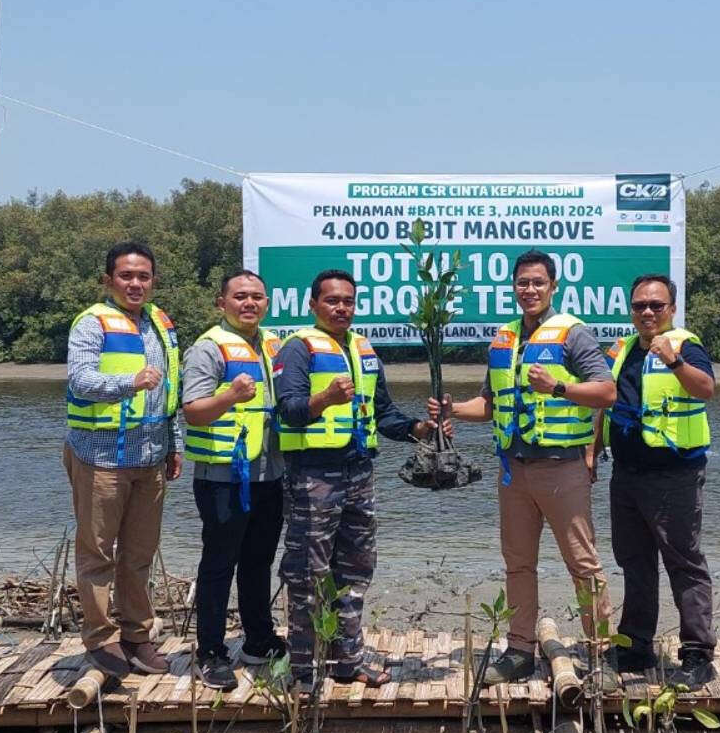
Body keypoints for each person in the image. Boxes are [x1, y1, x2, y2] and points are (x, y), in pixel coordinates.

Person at [429, 250, 617, 684]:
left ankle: (600, 654)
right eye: (522, 283)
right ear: (513, 287)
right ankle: (519, 651)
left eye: (537, 282)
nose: (529, 290)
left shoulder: (574, 334)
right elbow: (491, 405)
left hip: (561, 469)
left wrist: (559, 386)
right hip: (513, 470)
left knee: (583, 564)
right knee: (517, 563)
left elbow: (606, 393)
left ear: (553, 286)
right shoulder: (504, 339)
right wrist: (452, 409)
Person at [275, 269, 444, 688]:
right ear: (313, 304)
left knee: (355, 569)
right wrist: (326, 398)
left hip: (359, 474)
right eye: (332, 301)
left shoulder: (363, 349)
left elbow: (383, 413)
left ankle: (347, 659)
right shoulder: (297, 349)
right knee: (308, 573)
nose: (341, 308)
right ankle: (304, 669)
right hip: (313, 475)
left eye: (348, 301)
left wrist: (418, 429)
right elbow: (289, 411)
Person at [63, 241, 182, 677]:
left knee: (139, 554)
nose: (135, 283)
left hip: (150, 455)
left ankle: (137, 636)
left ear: (152, 281)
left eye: (143, 276)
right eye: (126, 276)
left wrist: (174, 444)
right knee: (97, 553)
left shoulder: (159, 323)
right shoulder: (91, 323)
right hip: (99, 456)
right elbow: (80, 380)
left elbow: (170, 391)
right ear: (108, 280)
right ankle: (100, 640)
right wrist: (128, 382)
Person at [596, 274, 718, 688]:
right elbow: (606, 404)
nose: (647, 312)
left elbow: (706, 390)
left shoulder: (685, 346)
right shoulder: (624, 349)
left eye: (656, 305)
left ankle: (698, 654)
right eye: (639, 306)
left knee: (684, 563)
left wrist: (674, 361)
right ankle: (635, 646)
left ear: (671, 309)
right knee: (634, 562)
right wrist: (592, 452)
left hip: (674, 475)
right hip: (627, 474)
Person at [179, 270, 286, 689]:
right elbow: (193, 410)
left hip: (269, 473)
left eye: (257, 297)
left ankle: (258, 638)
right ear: (221, 303)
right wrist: (228, 396)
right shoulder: (208, 348)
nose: (249, 303)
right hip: (223, 476)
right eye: (240, 297)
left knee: (259, 561)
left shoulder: (274, 343)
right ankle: (210, 652)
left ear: (267, 303)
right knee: (219, 564)